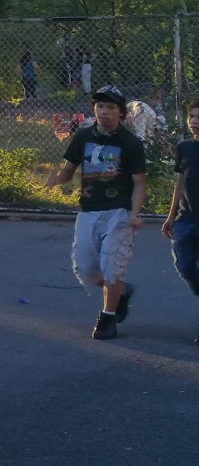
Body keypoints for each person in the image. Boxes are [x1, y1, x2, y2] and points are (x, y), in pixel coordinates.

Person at [45, 85, 147, 340]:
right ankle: (120, 293)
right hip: (89, 210)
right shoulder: (83, 136)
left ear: (121, 114)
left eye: (110, 107)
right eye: (100, 106)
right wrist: (57, 178)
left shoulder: (131, 143)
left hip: (119, 212)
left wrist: (134, 213)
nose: (104, 112)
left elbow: (139, 183)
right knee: (87, 270)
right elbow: (69, 171)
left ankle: (107, 318)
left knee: (113, 266)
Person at [161, 98, 199, 344]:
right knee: (184, 265)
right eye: (192, 117)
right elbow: (179, 184)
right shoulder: (184, 147)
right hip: (186, 219)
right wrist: (170, 216)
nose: (195, 122)